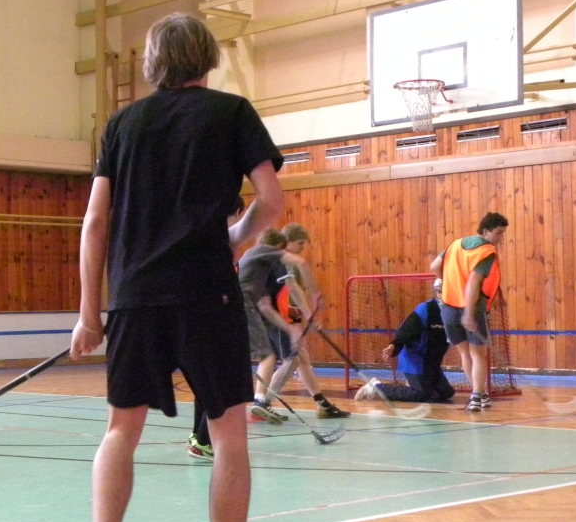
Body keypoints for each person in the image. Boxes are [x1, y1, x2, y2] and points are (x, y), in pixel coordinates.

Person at [70, 13, 284, 522]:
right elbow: (272, 200)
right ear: (208, 57)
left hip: (134, 297)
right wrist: (236, 237)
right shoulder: (231, 112)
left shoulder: (122, 125)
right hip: (205, 294)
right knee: (229, 436)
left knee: (121, 430)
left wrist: (89, 313)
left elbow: (95, 223)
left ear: (152, 62)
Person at [239, 228, 349, 423]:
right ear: (284, 244)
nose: (302, 248)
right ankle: (262, 402)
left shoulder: (260, 264)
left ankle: (321, 403)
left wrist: (297, 323)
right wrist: (312, 300)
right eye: (300, 243)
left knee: (300, 358)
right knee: (287, 358)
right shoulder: (275, 258)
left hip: (267, 313)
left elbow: (265, 304)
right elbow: (292, 287)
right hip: (269, 315)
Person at [187, 195, 246, 462]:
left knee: (205, 380)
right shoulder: (218, 240)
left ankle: (200, 438)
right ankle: (203, 440)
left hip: (202, 317)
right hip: (212, 318)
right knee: (219, 382)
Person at [430, 211, 509, 411]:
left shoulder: (455, 244)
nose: (500, 238)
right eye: (498, 233)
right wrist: (469, 313)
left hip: (447, 306)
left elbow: (435, 266)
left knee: (465, 352)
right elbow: (474, 282)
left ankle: (480, 394)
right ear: (486, 231)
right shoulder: (486, 251)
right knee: (478, 354)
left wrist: (449, 281)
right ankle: (476, 397)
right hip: (471, 307)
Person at [354, 278, 455, 404]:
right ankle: (376, 387)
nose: (443, 295)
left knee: (446, 392)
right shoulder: (426, 309)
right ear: (435, 292)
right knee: (420, 394)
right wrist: (394, 345)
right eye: (440, 291)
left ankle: (416, 385)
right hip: (415, 358)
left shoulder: (455, 311)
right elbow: (406, 329)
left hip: (432, 362)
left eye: (446, 291)